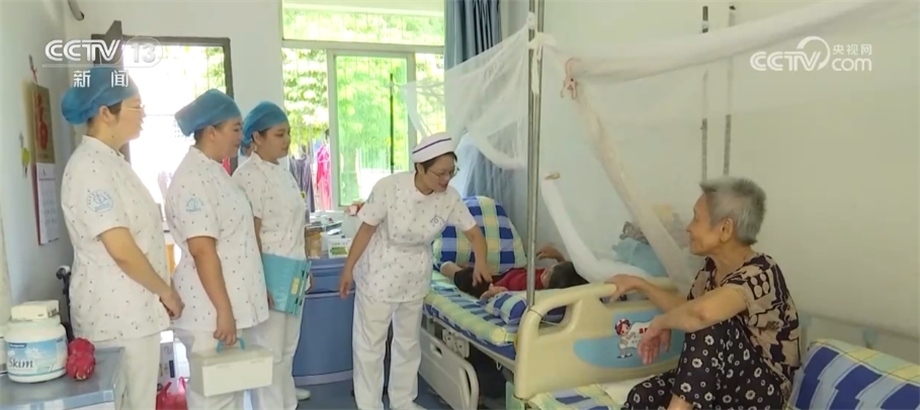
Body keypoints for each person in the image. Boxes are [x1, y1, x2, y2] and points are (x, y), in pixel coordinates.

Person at [610, 177, 801, 410]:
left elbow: (702, 314)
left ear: (725, 229)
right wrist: (642, 285)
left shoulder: (762, 273)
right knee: (643, 396)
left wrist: (660, 323)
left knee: (710, 323)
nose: (689, 227)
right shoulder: (711, 269)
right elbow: (687, 309)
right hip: (723, 384)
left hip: (763, 393)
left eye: (696, 218)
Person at [338, 132, 495, 410]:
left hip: (415, 274)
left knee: (407, 343)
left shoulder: (449, 197)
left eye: (451, 172)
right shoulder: (389, 188)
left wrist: (481, 261)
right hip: (379, 270)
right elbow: (366, 230)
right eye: (440, 173)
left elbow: (474, 234)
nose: (446, 179)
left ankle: (403, 401)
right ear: (420, 168)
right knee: (370, 345)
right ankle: (369, 404)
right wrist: (348, 269)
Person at [59, 66, 184, 410]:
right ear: (105, 113)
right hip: (116, 318)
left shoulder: (112, 162)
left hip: (133, 315)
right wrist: (166, 291)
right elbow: (121, 249)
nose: (143, 114)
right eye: (136, 106)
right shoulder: (90, 168)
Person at [164, 89, 270, 409]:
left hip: (224, 305)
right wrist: (223, 310)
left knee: (230, 393)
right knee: (215, 399)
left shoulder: (214, 172)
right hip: (208, 311)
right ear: (211, 131)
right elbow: (202, 250)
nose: (241, 136)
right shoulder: (193, 179)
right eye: (235, 128)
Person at [233, 101, 312, 408]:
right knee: (268, 351)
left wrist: (305, 270)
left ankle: (285, 397)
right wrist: (259, 282)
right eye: (280, 134)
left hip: (293, 270)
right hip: (270, 272)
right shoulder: (249, 176)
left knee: (288, 346)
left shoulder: (282, 171)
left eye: (288, 133)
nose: (287, 140)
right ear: (257, 137)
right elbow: (249, 235)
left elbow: (295, 227)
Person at [441, 245, 587, 299]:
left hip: (488, 286)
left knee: (446, 266)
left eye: (548, 273)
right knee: (475, 267)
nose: (546, 270)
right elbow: (567, 275)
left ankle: (460, 268)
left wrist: (490, 294)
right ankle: (468, 267)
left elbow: (487, 300)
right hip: (504, 275)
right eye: (550, 268)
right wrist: (558, 257)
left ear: (550, 288)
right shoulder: (558, 278)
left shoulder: (533, 296)